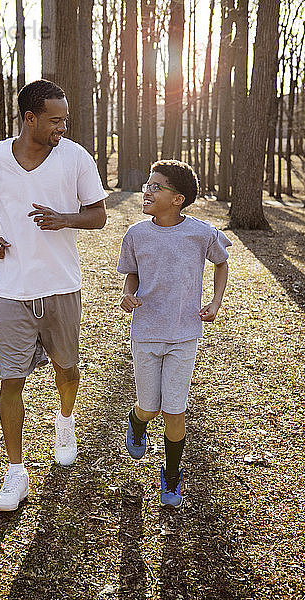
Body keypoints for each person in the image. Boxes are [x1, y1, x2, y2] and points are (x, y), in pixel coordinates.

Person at [0, 79, 107, 511]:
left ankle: (65, 422)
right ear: (30, 118)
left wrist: (65, 219)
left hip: (62, 285)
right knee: (11, 379)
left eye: (65, 119)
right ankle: (15, 471)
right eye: (55, 120)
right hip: (11, 289)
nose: (63, 127)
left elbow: (99, 216)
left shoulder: (75, 157)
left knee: (68, 369)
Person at [117, 159, 231, 507]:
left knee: (175, 410)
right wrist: (127, 293)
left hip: (184, 335)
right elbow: (131, 274)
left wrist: (215, 302)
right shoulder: (136, 234)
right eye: (147, 185)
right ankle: (137, 422)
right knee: (150, 407)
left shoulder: (201, 233)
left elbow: (222, 260)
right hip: (147, 333)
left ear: (177, 198)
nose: (146, 191)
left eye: (156, 186)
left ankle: (171, 475)